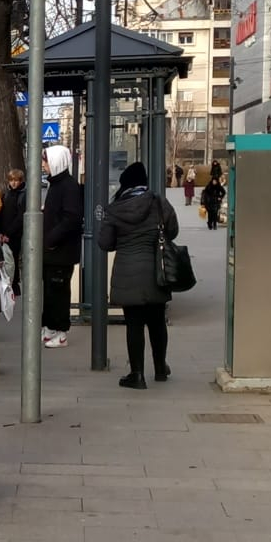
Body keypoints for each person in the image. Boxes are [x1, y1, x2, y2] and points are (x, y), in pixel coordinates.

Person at [97, 160, 180, 390]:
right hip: (156, 271)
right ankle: (161, 367)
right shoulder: (157, 201)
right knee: (157, 321)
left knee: (134, 324)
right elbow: (173, 230)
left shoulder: (114, 209)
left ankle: (137, 374)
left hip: (127, 273)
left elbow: (105, 244)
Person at [40, 144, 83, 347]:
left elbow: (72, 218)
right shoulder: (57, 184)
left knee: (58, 291)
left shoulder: (68, 186)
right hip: (53, 251)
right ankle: (50, 327)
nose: (43, 165)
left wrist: (50, 238)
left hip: (61, 251)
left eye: (46, 160)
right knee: (50, 291)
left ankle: (61, 331)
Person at [0, 167, 27, 294]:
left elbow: (20, 217)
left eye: (16, 180)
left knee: (13, 258)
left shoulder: (23, 195)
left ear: (21, 181)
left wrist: (8, 233)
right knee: (7, 259)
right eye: (11, 180)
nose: (13, 183)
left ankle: (14, 285)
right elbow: (1, 214)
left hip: (15, 234)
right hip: (5, 232)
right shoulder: (6, 194)